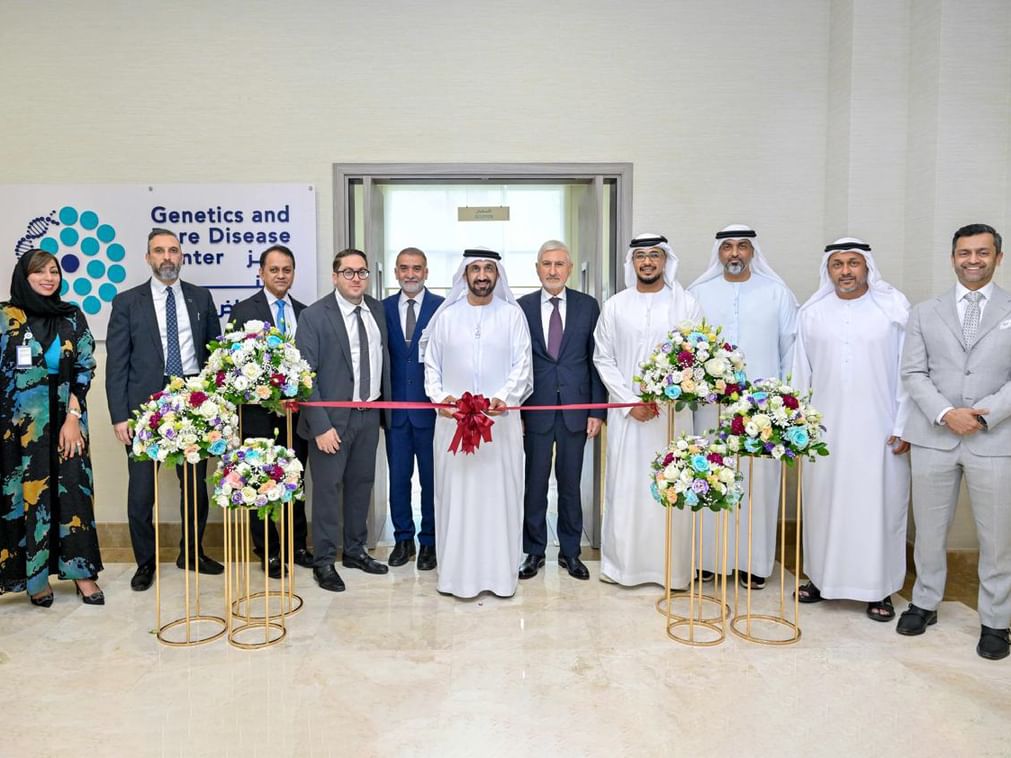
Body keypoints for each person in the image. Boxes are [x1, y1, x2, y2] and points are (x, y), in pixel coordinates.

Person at [899, 223, 1011, 660]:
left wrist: (984, 415)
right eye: (965, 253)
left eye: (982, 252)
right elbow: (913, 372)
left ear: (998, 258)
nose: (973, 260)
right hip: (934, 436)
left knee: (997, 537)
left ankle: (996, 621)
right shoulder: (925, 312)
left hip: (995, 438)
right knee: (929, 530)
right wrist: (947, 413)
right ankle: (924, 603)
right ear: (953, 258)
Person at [792, 238, 910, 621]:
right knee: (823, 504)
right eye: (837, 264)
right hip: (823, 431)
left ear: (867, 267)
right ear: (828, 270)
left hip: (880, 429)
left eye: (853, 263)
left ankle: (879, 589)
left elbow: (908, 371)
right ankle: (820, 578)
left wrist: (904, 424)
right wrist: (797, 425)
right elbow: (800, 373)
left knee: (877, 506)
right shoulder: (812, 313)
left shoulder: (893, 309)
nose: (845, 271)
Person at [106, 228, 223, 592]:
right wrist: (119, 416)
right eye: (159, 251)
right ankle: (145, 562)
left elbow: (214, 356)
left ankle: (192, 553)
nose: (167, 257)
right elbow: (116, 364)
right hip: (144, 409)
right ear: (148, 258)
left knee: (194, 486)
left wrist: (216, 406)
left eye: (173, 250)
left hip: (192, 405)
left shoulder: (201, 297)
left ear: (181, 256)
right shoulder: (127, 302)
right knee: (142, 491)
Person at [688, 224, 798, 589]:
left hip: (764, 409)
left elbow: (790, 350)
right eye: (728, 247)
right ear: (719, 253)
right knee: (708, 476)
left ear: (753, 252)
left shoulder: (777, 293)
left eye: (742, 246)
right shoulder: (698, 294)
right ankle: (706, 560)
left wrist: (784, 399)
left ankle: (754, 563)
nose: (734, 253)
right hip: (711, 408)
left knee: (759, 485)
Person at [593, 233, 704, 587]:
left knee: (672, 485)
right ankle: (622, 568)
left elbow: (697, 355)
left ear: (665, 260)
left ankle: (671, 570)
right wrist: (629, 402)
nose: (647, 262)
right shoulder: (615, 306)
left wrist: (666, 395)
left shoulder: (686, 305)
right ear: (632, 262)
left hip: (671, 417)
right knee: (627, 490)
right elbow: (603, 358)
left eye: (654, 255)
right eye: (640, 255)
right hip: (628, 416)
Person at [422, 248, 533, 598]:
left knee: (500, 499)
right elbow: (431, 366)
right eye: (475, 269)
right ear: (464, 274)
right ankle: (454, 578)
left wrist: (504, 396)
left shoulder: (512, 317)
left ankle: (500, 578)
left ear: (497, 275)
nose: (482, 275)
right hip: (452, 423)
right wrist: (440, 397)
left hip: (500, 426)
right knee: (456, 499)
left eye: (488, 269)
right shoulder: (446, 317)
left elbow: (523, 366)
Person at [0, 250, 103, 606]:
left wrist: (73, 417)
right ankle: (36, 578)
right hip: (17, 430)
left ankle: (82, 574)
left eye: (54, 271)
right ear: (23, 277)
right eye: (39, 272)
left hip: (65, 420)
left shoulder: (71, 315)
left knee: (73, 492)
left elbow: (85, 367)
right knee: (25, 497)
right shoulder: (5, 317)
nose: (48, 278)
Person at [296, 248, 391, 593]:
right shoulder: (314, 316)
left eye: (361, 272)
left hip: (369, 415)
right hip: (331, 421)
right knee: (326, 491)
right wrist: (320, 425)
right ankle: (323, 561)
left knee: (361, 485)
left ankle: (354, 550)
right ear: (334, 277)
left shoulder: (377, 310)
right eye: (348, 272)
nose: (356, 278)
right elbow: (305, 375)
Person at [517, 240, 605, 581]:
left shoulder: (588, 306)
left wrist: (596, 410)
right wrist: (517, 412)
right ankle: (534, 551)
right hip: (534, 410)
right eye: (547, 264)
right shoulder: (521, 307)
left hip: (576, 410)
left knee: (570, 484)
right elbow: (517, 361)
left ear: (569, 268)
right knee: (535, 483)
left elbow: (596, 360)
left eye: (559, 264)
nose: (553, 270)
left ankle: (570, 552)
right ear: (537, 268)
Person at [226, 244, 312, 577]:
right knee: (260, 482)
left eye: (286, 270)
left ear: (294, 273)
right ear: (261, 272)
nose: (281, 275)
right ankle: (269, 551)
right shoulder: (243, 311)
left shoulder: (305, 312)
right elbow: (234, 364)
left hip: (297, 416)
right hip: (258, 416)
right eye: (274, 269)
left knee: (295, 480)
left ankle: (298, 545)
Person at [383, 247, 444, 571]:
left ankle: (430, 541)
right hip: (395, 413)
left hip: (431, 413)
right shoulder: (380, 308)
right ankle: (403, 539)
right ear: (396, 272)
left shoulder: (443, 308)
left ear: (426, 272)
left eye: (416, 268)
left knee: (432, 481)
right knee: (398, 479)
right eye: (404, 268)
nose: (410, 274)